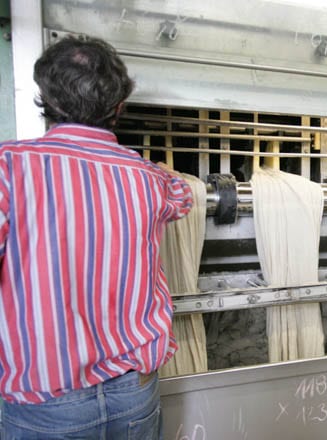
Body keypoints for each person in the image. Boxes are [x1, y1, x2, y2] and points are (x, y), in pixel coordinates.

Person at [0, 35, 191, 438]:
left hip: (47, 398)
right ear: (119, 106)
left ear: (45, 97)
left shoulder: (8, 169)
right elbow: (184, 197)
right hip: (134, 390)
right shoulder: (151, 180)